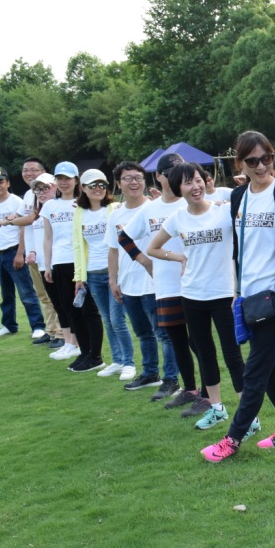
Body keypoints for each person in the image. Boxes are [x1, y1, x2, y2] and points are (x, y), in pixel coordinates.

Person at [199, 131, 275, 462]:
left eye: (266, 158)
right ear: (240, 163)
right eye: (253, 160)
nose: (261, 166)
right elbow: (239, 248)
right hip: (250, 296)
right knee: (271, 367)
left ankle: (232, 439)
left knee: (255, 372)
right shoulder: (238, 196)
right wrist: (237, 291)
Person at [146, 163, 245, 430]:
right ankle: (216, 408)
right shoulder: (177, 218)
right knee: (205, 354)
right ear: (178, 188)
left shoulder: (224, 210)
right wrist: (179, 257)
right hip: (191, 295)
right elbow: (153, 248)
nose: (195, 186)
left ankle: (247, 415)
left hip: (224, 294)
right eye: (188, 182)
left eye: (198, 180)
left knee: (233, 355)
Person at [119, 153, 195, 403]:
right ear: (159, 176)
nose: (177, 178)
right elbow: (124, 237)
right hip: (165, 285)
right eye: (171, 173)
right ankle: (183, 387)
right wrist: (145, 262)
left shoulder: (191, 203)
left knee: (198, 342)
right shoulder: (150, 209)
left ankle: (207, 393)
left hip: (195, 284)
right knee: (175, 340)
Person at [106, 162, 173, 386]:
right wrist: (113, 280)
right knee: (143, 333)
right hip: (128, 283)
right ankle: (150, 373)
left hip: (155, 282)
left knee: (164, 334)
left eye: (138, 178)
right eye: (128, 178)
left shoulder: (155, 208)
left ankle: (171, 379)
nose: (134, 182)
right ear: (118, 184)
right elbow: (113, 250)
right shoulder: (115, 214)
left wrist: (147, 263)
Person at [43, 161, 105, 372]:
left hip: (81, 263)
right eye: (60, 179)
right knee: (70, 310)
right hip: (60, 263)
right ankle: (84, 352)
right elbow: (48, 238)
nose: (64, 183)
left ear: (77, 180)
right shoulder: (49, 206)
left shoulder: (83, 204)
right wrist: (48, 265)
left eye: (68, 179)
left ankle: (95, 355)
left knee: (88, 310)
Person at [73, 169, 134, 378]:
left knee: (118, 320)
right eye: (92, 185)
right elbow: (77, 245)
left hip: (113, 272)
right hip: (92, 273)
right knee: (107, 319)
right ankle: (117, 360)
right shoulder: (79, 213)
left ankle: (128, 362)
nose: (98, 189)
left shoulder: (115, 208)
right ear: (83, 188)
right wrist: (79, 277)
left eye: (102, 185)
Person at [0, 166, 46, 339]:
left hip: (13, 251)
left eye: (0, 182)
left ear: (8, 183)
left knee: (26, 292)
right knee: (6, 293)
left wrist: (19, 253)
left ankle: (38, 326)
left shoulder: (16, 201)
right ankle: (8, 324)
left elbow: (23, 227)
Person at [15, 157, 63, 346]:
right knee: (44, 296)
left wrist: (8, 222)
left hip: (53, 259)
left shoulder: (57, 206)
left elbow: (29, 220)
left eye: (45, 188)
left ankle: (61, 333)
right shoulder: (33, 201)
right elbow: (30, 225)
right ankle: (52, 331)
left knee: (56, 297)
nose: (41, 192)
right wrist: (30, 251)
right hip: (36, 257)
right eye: (38, 189)